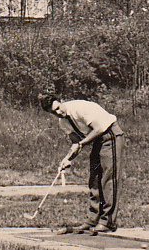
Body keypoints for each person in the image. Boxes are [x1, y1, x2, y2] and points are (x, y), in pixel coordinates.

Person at [40, 95, 124, 234]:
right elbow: (75, 142)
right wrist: (67, 159)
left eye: (58, 108)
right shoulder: (63, 122)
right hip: (97, 141)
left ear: (61, 101)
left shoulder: (79, 108)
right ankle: (92, 219)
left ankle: (108, 221)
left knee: (108, 179)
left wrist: (80, 144)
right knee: (95, 180)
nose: (58, 113)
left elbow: (97, 129)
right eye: (54, 113)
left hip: (110, 135)